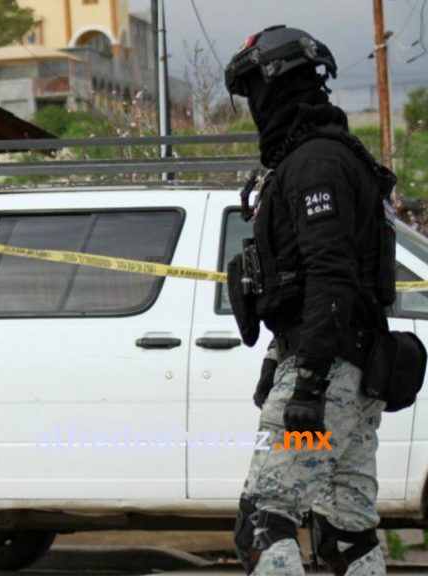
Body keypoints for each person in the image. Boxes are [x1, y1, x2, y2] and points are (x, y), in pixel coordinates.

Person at [224, 26, 398, 575]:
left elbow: (331, 275)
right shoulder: (327, 155)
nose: (253, 104)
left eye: (255, 89)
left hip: (329, 375)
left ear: (278, 85)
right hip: (353, 369)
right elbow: (308, 284)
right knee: (344, 531)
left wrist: (309, 378)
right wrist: (277, 360)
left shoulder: (316, 163)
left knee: (263, 522)